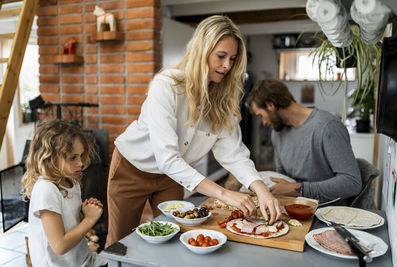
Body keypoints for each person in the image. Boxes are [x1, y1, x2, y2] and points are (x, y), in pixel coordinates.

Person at [106, 15, 281, 247]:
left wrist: (261, 190)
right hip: (132, 169)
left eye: (232, 59)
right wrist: (225, 194)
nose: (227, 65)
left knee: (176, 236)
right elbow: (167, 158)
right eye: (221, 56)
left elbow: (234, 154)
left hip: (172, 176)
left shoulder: (223, 102)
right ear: (202, 51)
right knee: (120, 242)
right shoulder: (166, 86)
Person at [247, 79, 362, 204]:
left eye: (261, 115)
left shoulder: (327, 126)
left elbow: (352, 183)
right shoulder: (277, 132)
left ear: (270, 105)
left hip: (325, 212)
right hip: (294, 208)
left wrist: (299, 189)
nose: (263, 122)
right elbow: (283, 179)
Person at [21, 120, 107, 267]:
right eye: (73, 158)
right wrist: (89, 220)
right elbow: (59, 246)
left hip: (79, 260)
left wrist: (83, 213)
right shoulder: (46, 190)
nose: (80, 163)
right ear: (50, 159)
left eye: (81, 156)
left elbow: (69, 221)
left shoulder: (71, 181)